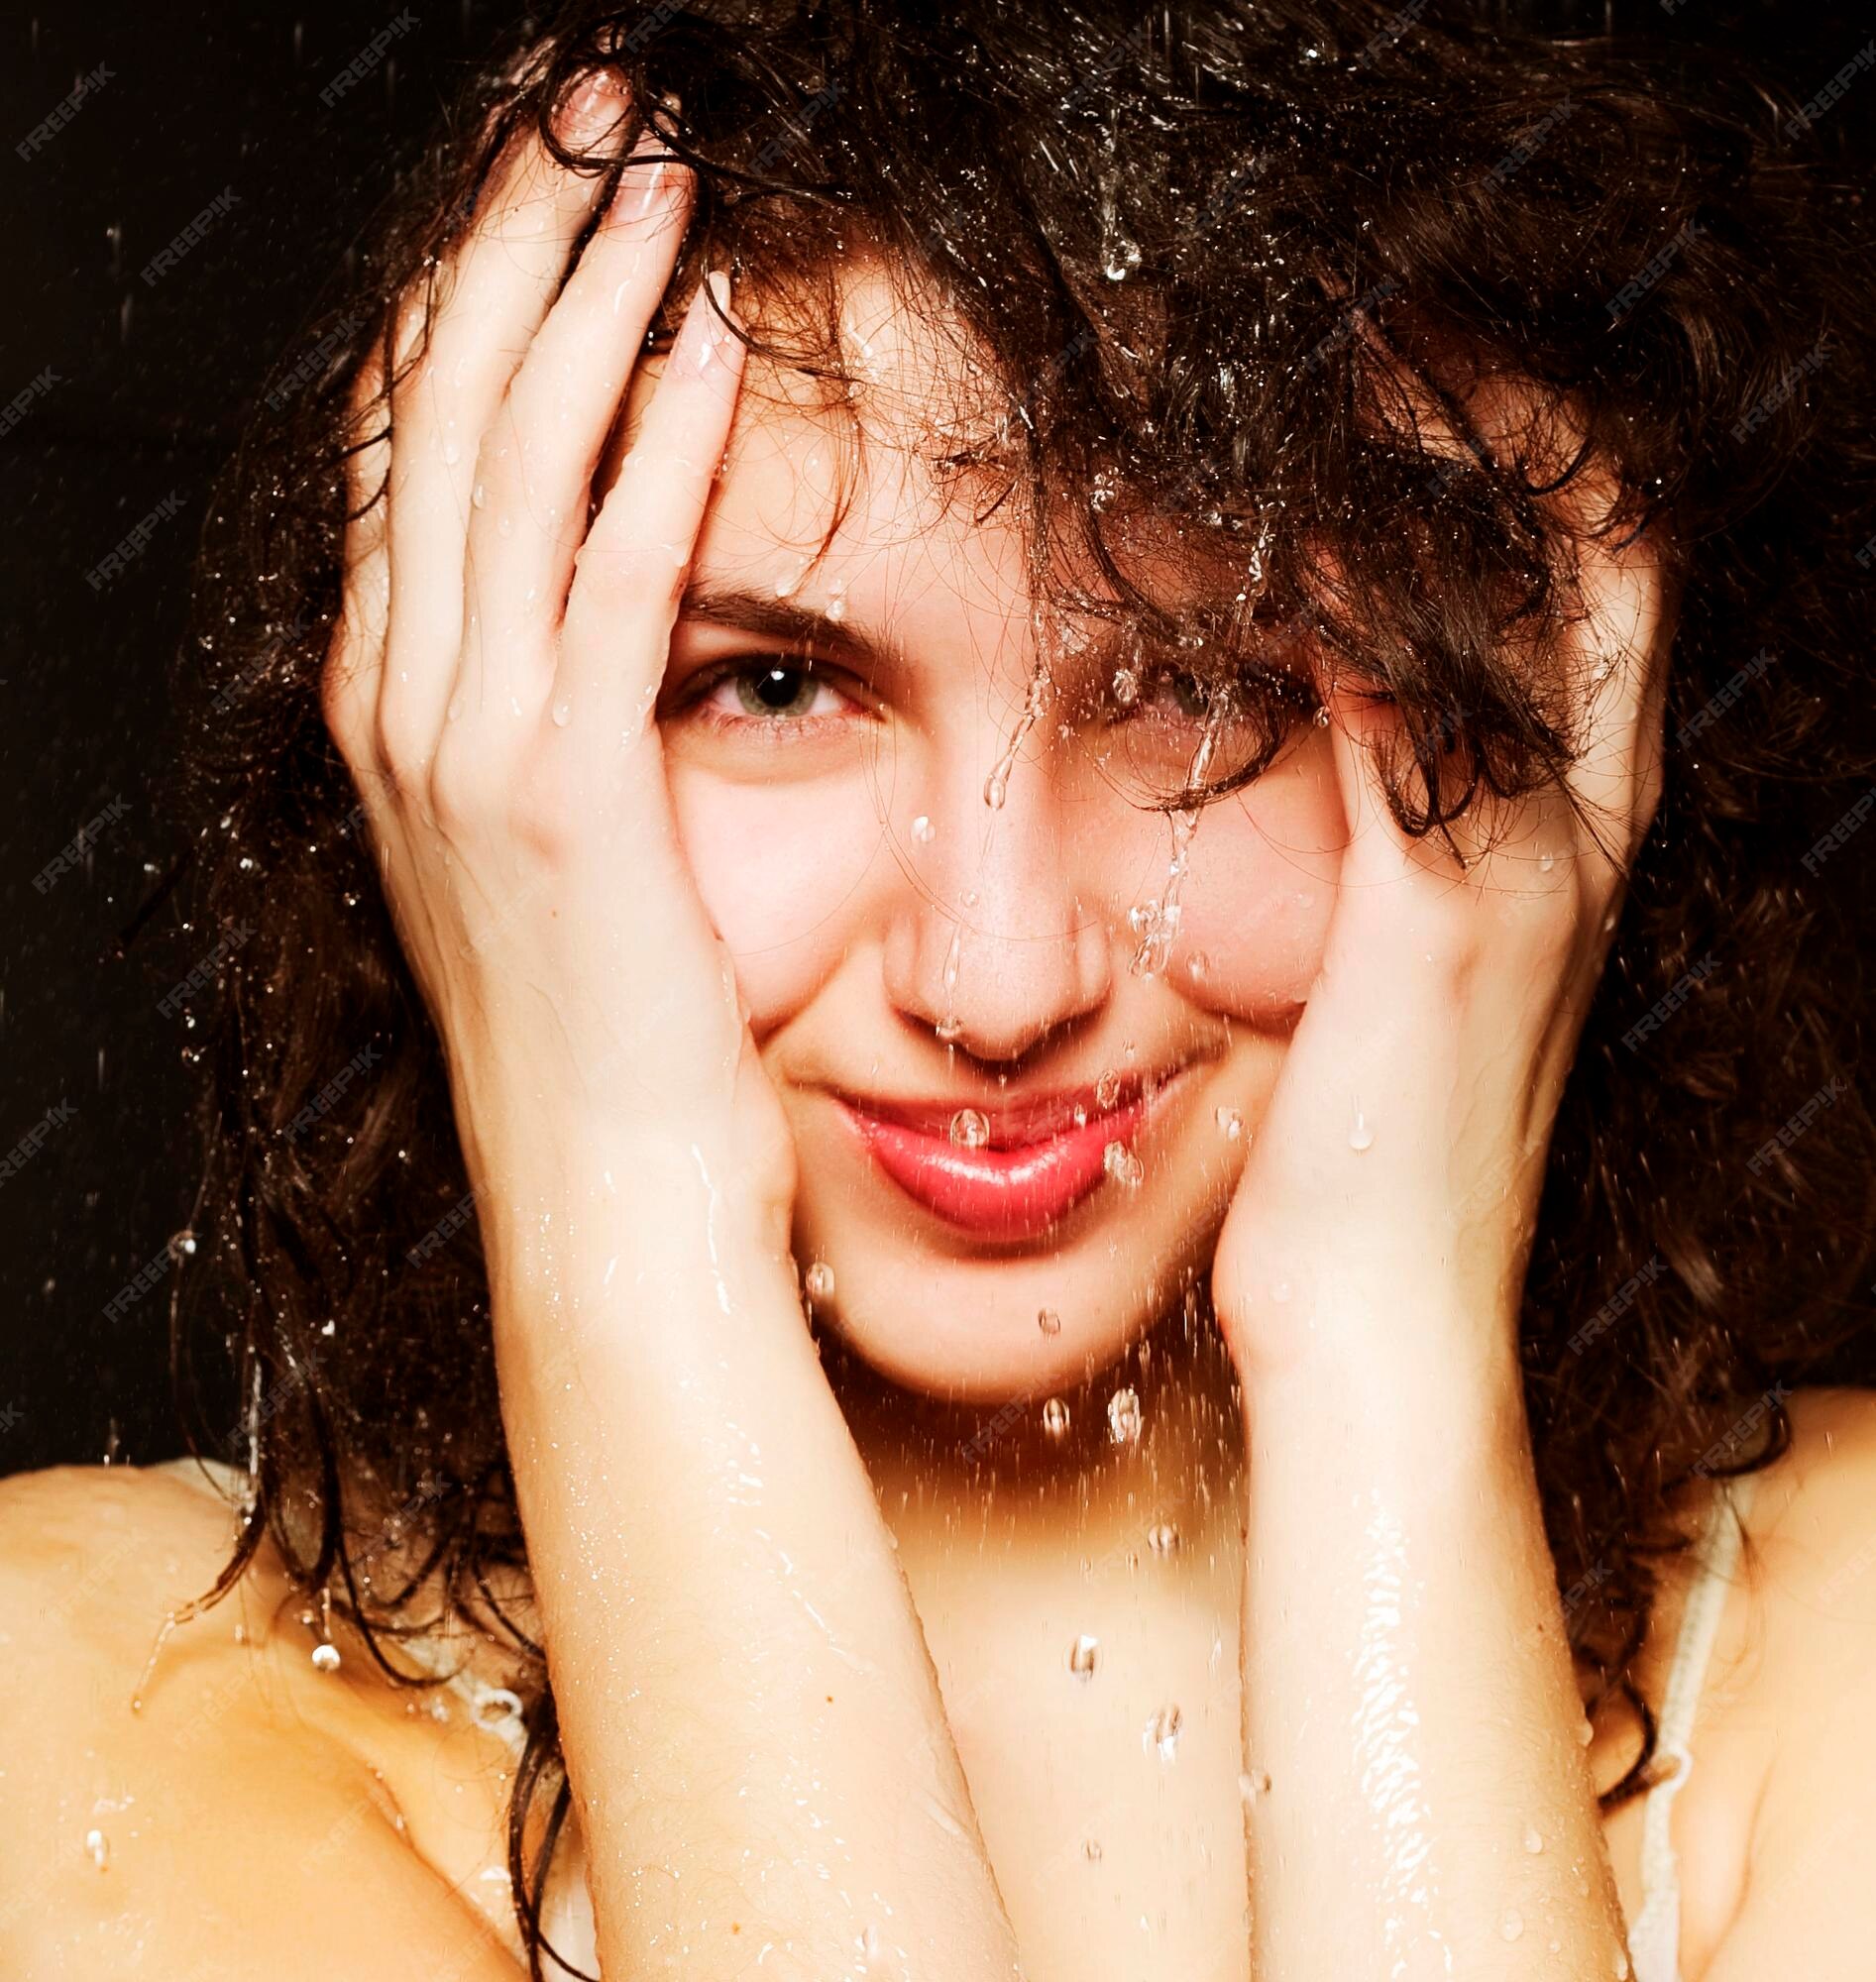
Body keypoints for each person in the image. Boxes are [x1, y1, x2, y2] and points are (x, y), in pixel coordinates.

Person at [5, 2, 1876, 1976]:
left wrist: (1385, 1340)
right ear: (459, 716)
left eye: (1200, 688)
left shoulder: (1828, 1657)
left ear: (1529, 719)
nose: (997, 981)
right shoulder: (102, 1705)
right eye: (772, 685)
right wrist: (623, 1231)